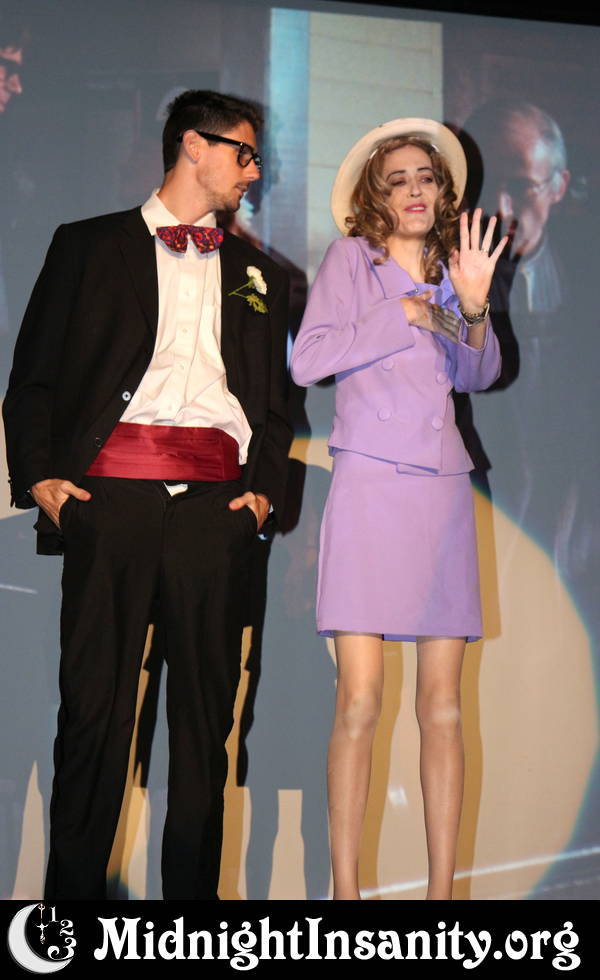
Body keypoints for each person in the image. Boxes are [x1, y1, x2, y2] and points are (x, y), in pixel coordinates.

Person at [2, 89, 291, 900]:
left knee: (204, 728)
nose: (254, 171)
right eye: (244, 153)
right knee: (92, 716)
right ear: (194, 146)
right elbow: (33, 379)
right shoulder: (87, 245)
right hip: (109, 500)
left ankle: (190, 923)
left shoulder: (261, 274)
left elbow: (273, 407)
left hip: (215, 510)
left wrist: (261, 497)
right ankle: (70, 920)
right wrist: (41, 479)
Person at [290, 117, 507, 900]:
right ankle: (347, 895)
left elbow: (478, 373)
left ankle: (441, 899)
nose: (415, 190)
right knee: (359, 699)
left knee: (442, 707)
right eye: (398, 180)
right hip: (369, 485)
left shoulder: (455, 271)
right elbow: (308, 358)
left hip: (440, 488)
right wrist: (401, 314)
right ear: (375, 197)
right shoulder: (352, 259)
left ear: (443, 192)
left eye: (426, 177)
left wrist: (470, 308)